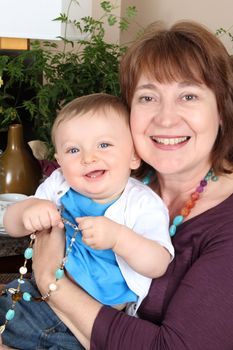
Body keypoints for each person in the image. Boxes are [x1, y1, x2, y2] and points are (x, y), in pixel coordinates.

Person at [1, 19, 233, 350]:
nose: (166, 118)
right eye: (148, 97)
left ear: (221, 110)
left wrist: (50, 278)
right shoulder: (113, 177)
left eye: (189, 95)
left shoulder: (226, 223)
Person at [0, 93, 174, 349]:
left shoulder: (141, 203)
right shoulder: (59, 184)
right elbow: (11, 223)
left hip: (88, 318)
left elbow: (158, 263)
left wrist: (119, 238)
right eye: (73, 149)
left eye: (104, 145)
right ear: (59, 161)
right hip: (35, 294)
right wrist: (29, 210)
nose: (88, 158)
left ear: (134, 156)